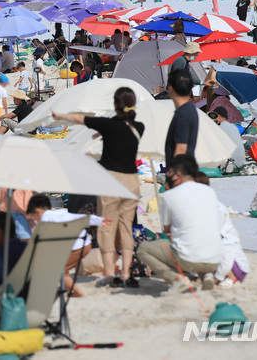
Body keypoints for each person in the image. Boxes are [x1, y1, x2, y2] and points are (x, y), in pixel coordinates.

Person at [53, 87, 144, 288]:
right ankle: (126, 273)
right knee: (126, 227)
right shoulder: (139, 127)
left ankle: (110, 273)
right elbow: (123, 138)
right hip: (132, 181)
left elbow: (79, 119)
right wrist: (105, 136)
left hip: (111, 180)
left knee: (107, 226)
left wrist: (60, 115)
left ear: (115, 105)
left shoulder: (108, 124)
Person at [137, 155, 222, 294]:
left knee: (144, 249)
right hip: (215, 259)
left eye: (169, 173)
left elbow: (166, 228)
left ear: (177, 174)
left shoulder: (170, 195)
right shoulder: (209, 191)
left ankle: (176, 279)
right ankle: (206, 274)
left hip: (189, 258)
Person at [26, 194, 111, 297]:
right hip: (83, 244)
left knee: (59, 270)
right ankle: (64, 288)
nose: (35, 220)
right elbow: (80, 217)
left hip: (79, 247)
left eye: (33, 217)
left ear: (37, 212)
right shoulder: (58, 214)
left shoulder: (46, 220)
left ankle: (76, 292)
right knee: (59, 269)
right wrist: (99, 221)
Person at [194, 172, 250, 289]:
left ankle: (232, 278)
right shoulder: (205, 205)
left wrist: (217, 278)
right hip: (224, 259)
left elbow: (226, 249)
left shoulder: (216, 208)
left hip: (236, 268)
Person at [165, 69, 198, 166]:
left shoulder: (183, 114)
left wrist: (173, 176)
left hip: (181, 173)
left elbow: (181, 149)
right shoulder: (190, 108)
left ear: (171, 89)